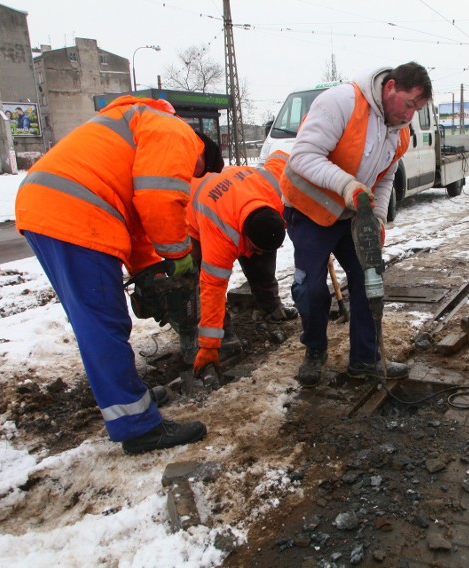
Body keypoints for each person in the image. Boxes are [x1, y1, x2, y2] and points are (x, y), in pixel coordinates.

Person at [15, 95, 224, 455]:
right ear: (202, 152)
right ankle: (138, 426)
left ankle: (131, 399)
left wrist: (147, 270)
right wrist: (178, 255)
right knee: (103, 322)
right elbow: (159, 199)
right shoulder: (178, 133)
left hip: (51, 203)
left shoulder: (137, 122)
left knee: (96, 319)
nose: (190, 177)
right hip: (78, 210)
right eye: (195, 172)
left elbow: (140, 220)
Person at [280, 61, 432, 387]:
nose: (409, 116)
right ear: (390, 87)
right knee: (310, 287)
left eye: (416, 110)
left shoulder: (399, 130)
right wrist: (347, 185)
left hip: (352, 215)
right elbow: (303, 156)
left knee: (370, 277)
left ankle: (365, 358)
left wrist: (377, 218)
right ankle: (315, 351)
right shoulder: (341, 103)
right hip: (309, 210)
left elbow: (386, 175)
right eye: (408, 104)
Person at [187, 150, 296, 376]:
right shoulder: (220, 233)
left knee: (262, 263)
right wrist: (209, 345)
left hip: (238, 194)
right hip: (195, 212)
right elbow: (213, 287)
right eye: (252, 248)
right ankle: (223, 334)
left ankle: (271, 307)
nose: (255, 254)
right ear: (243, 237)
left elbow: (282, 156)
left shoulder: (276, 191)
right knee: (200, 275)